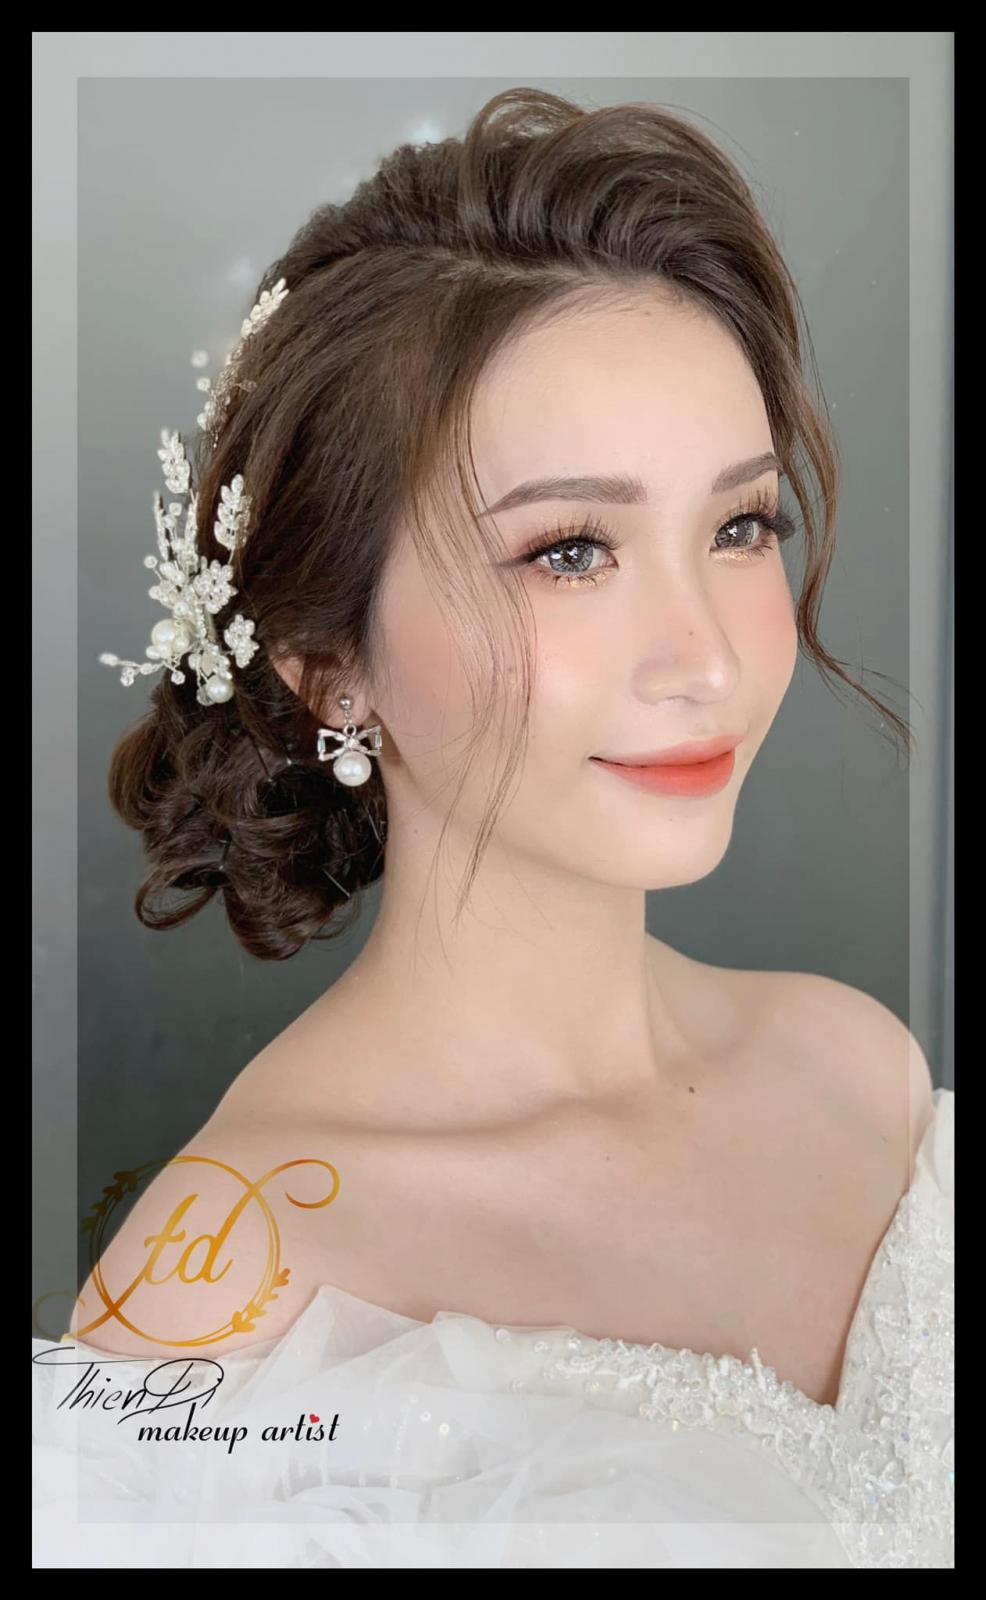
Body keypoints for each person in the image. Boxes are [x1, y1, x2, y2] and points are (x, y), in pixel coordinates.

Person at [33, 86, 953, 1568]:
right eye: (570, 551)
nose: (706, 660)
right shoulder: (221, 1299)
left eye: (739, 526)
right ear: (324, 659)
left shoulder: (864, 1072)